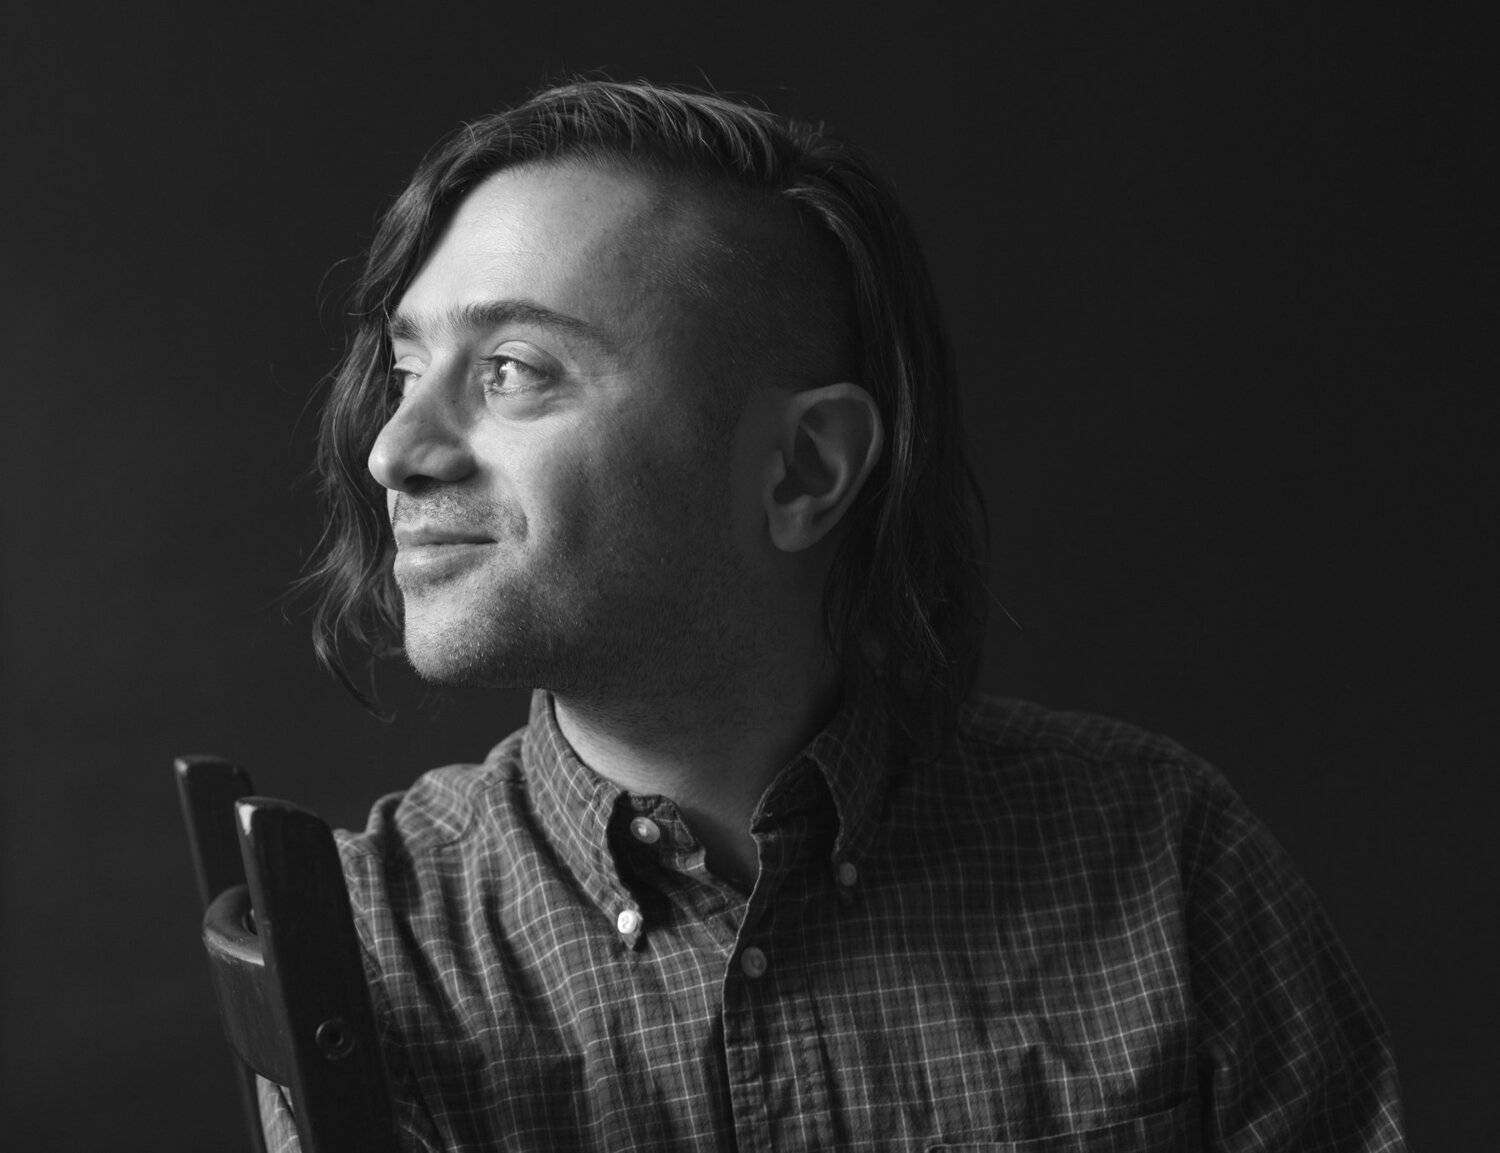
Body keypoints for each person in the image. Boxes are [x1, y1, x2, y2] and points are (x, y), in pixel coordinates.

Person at [268, 79, 1405, 1151]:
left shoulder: (1167, 862)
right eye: (407, 370)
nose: (394, 450)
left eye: (515, 369)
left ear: (805, 467)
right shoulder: (361, 944)